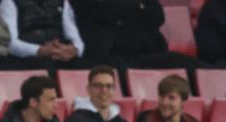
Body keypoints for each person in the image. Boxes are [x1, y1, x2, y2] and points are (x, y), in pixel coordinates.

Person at [71, 0, 199, 76]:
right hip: (112, 55)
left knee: (198, 68)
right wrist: (138, 7)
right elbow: (103, 12)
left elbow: (157, 16)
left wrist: (127, 10)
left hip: (152, 52)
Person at [0, 0, 87, 71]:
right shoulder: (9, 2)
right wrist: (40, 50)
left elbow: (76, 40)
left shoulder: (62, 2)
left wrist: (74, 50)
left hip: (59, 57)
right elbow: (9, 43)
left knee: (88, 68)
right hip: (28, 59)